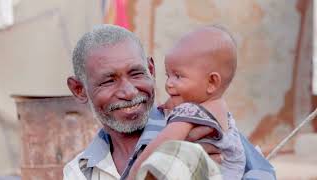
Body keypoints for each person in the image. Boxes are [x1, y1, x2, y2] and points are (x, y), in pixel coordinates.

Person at [63, 24, 276, 180]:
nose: (129, 92)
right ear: (79, 89)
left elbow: (264, 173)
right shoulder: (80, 172)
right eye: (109, 81)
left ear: (152, 70)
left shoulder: (200, 126)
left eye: (136, 73)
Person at [127, 26, 245, 180]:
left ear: (212, 82)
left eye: (178, 76)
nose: (169, 83)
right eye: (168, 75)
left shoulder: (190, 112)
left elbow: (158, 148)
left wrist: (133, 174)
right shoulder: (222, 111)